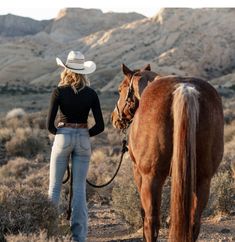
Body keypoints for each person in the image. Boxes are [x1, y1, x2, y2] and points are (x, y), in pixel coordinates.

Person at [47, 51, 104, 242]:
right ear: (83, 71)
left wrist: (63, 135)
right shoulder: (91, 93)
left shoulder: (59, 91)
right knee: (79, 188)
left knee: (54, 187)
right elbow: (100, 126)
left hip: (63, 135)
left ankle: (50, 233)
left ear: (66, 69)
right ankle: (79, 237)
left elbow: (49, 125)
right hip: (83, 138)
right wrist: (84, 135)